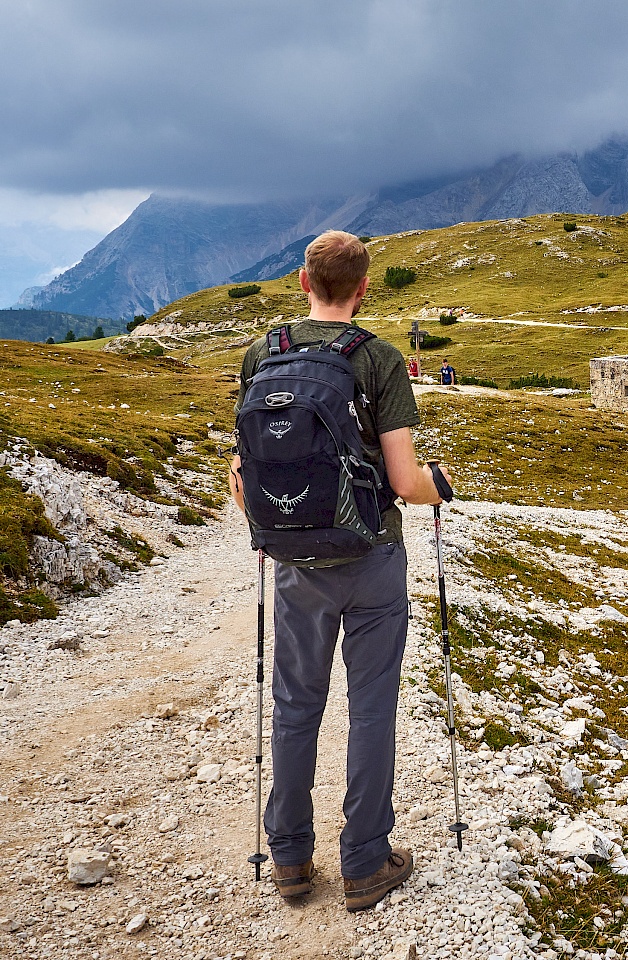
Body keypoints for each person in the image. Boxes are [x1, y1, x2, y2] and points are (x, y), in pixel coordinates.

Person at [227, 230, 452, 911]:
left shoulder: (263, 354)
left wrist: (272, 530)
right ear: (363, 288)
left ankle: (290, 858)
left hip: (295, 563)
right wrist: (440, 486)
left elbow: (242, 473)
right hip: (373, 559)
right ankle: (364, 862)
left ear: (302, 282)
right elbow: (405, 481)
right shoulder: (379, 360)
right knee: (372, 707)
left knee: (295, 705)